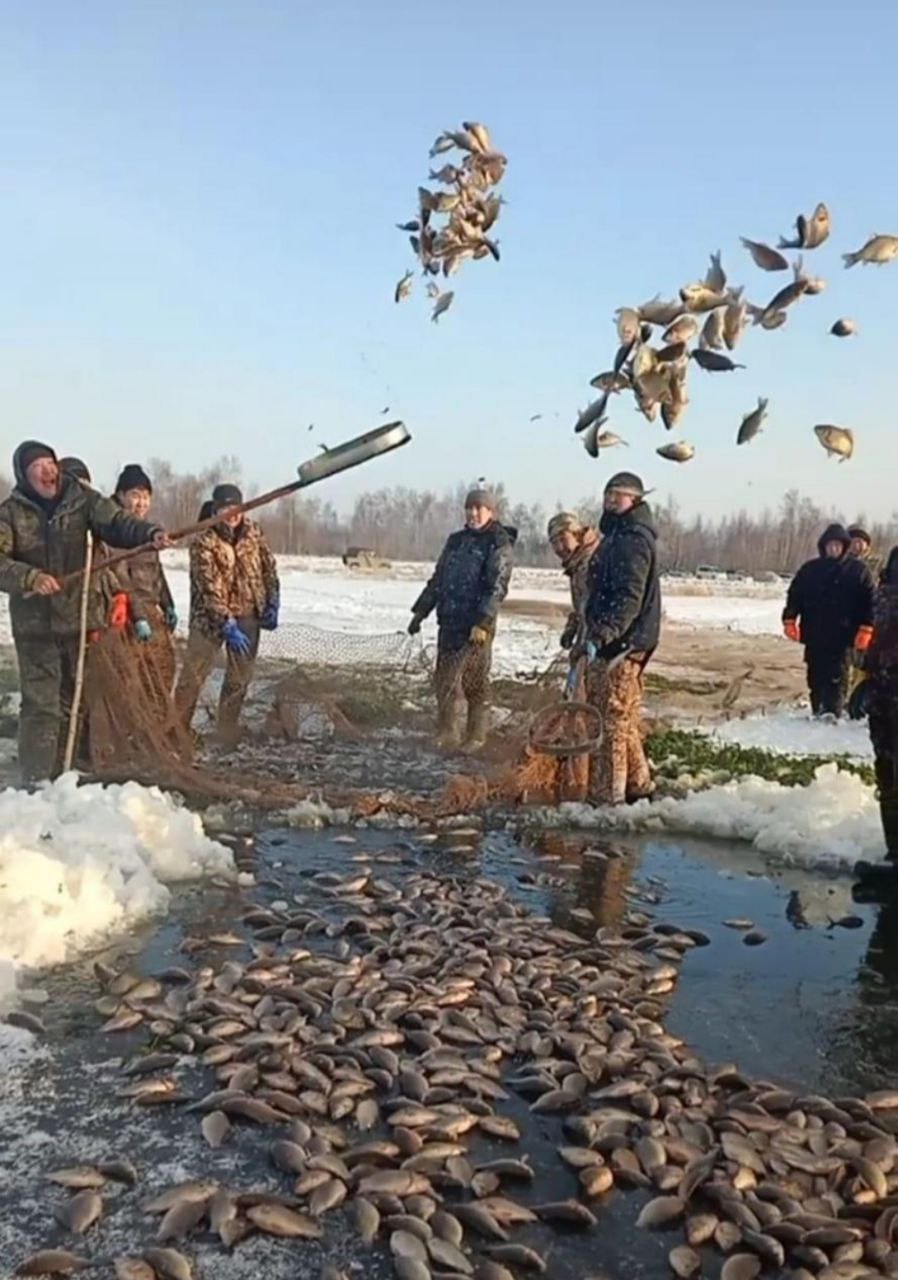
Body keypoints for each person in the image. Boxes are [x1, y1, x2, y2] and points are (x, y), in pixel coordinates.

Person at [0, 440, 168, 783]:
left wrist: (148, 533)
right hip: (36, 628)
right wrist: (29, 577)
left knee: (82, 701)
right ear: (24, 476)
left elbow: (119, 523)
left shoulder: (82, 499)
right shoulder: (10, 513)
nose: (47, 471)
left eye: (50, 463)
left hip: (80, 620)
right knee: (42, 706)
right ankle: (36, 782)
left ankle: (75, 773)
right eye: (37, 467)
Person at [408, 488, 516, 752]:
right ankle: (447, 732)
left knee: (474, 682)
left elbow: (497, 587)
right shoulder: (456, 541)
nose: (474, 513)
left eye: (480, 508)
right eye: (470, 508)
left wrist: (483, 621)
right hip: (450, 621)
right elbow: (438, 579)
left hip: (476, 625)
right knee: (444, 680)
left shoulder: (498, 542)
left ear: (491, 512)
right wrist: (421, 611)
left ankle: (476, 737)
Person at [174, 482, 280, 742]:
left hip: (248, 615)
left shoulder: (254, 532)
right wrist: (225, 621)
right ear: (215, 511)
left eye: (236, 507)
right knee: (193, 676)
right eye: (225, 508)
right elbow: (208, 585)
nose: (232, 513)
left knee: (239, 678)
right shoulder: (204, 540)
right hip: (209, 619)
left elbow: (269, 569)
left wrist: (272, 602)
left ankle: (226, 729)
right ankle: (176, 730)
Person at [583, 472, 660, 806]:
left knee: (612, 720)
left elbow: (630, 595)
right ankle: (639, 785)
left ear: (635, 501)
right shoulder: (616, 536)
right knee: (623, 719)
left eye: (619, 495)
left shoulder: (633, 540)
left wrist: (606, 631)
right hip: (618, 639)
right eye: (608, 494)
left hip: (625, 643)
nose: (611, 500)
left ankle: (608, 800)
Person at [783, 523, 875, 718]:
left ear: (844, 547)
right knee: (815, 676)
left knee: (837, 677)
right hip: (814, 634)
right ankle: (818, 710)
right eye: (830, 545)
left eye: (837, 545)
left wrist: (866, 628)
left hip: (843, 636)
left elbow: (870, 601)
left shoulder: (858, 571)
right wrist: (789, 619)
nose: (833, 549)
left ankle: (832, 715)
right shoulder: (810, 570)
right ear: (823, 547)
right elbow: (795, 595)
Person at [110, 464, 178, 696]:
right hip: (126, 616)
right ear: (121, 495)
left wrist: (168, 604)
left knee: (164, 669)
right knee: (130, 678)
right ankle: (129, 729)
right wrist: (138, 617)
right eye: (135, 496)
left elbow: (156, 571)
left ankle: (157, 726)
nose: (141, 503)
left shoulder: (147, 530)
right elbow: (121, 578)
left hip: (151, 611)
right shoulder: (117, 529)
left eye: (146, 497)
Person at [865, 548, 898, 863]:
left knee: (890, 774)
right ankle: (894, 850)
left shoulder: (881, 598)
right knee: (886, 773)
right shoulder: (881, 597)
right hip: (882, 693)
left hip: (885, 689)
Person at [547, 512, 601, 651]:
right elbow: (582, 609)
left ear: (576, 534)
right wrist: (572, 627)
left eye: (563, 539)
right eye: (554, 542)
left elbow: (598, 610)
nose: (559, 548)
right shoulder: (577, 565)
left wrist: (593, 642)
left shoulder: (594, 562)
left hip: (599, 643)